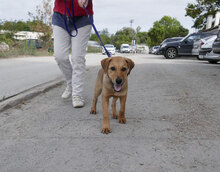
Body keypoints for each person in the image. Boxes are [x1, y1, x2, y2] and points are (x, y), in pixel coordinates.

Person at [52, 0, 93, 108]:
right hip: (61, 16)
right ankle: (71, 83)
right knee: (59, 56)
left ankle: (77, 94)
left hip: (83, 18)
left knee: (77, 58)